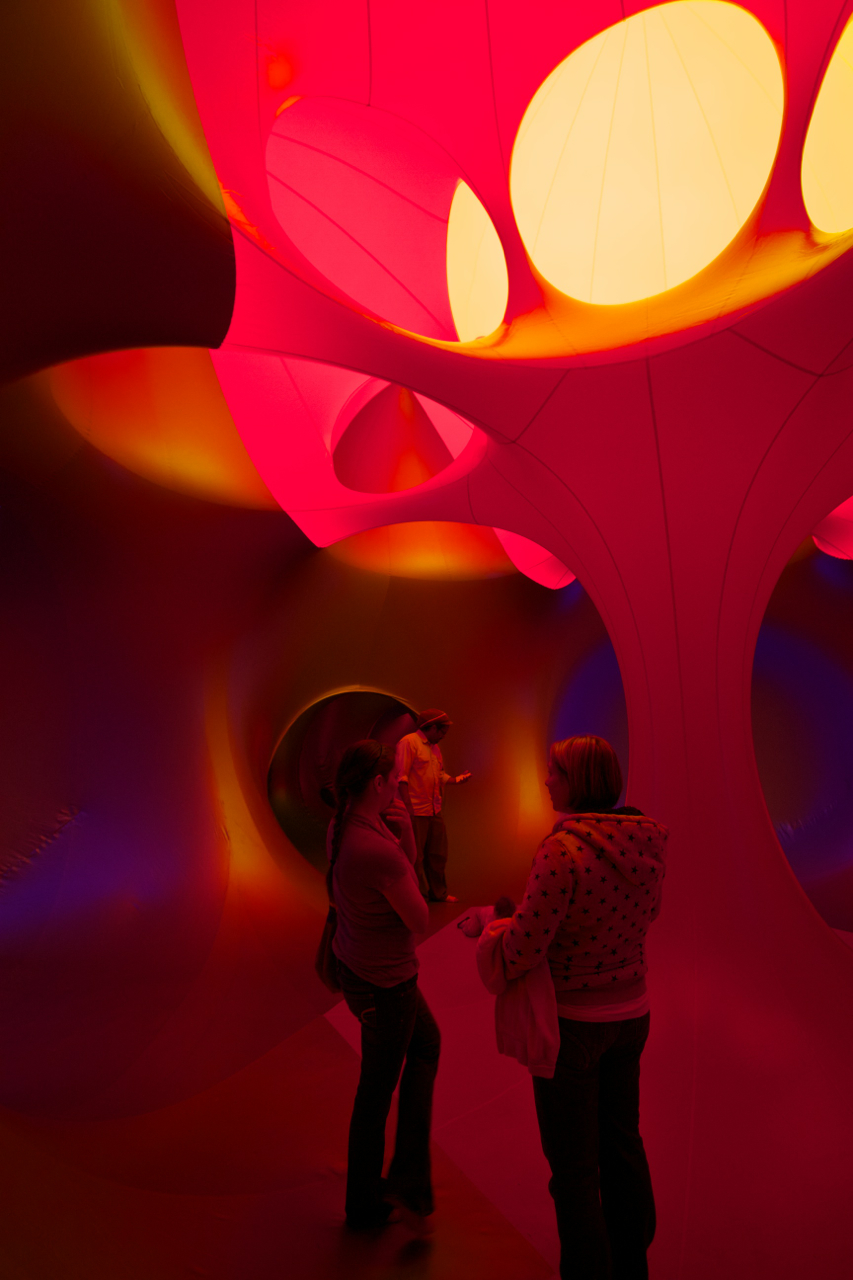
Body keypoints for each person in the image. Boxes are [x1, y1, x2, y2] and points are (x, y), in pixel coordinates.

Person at [501, 736, 668, 1280]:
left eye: (554, 771)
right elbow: (649, 914)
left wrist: (491, 931)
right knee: (623, 1143)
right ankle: (632, 1262)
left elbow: (525, 949)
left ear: (578, 781)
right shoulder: (649, 840)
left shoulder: (561, 850)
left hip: (572, 1027)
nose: (547, 780)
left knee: (574, 1170)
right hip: (632, 1014)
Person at [329, 739, 441, 1233]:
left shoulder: (343, 825)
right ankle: (368, 1202)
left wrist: (402, 837)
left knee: (426, 1045)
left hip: (359, 969)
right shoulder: (376, 850)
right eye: (395, 778)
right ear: (377, 783)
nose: (400, 784)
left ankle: (402, 1179)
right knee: (375, 1093)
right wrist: (405, 849)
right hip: (386, 985)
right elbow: (419, 918)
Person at [395, 709, 470, 903]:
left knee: (437, 854)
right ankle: (416, 897)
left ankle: (439, 893)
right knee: (415, 857)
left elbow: (439, 775)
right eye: (443, 731)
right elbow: (401, 777)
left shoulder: (435, 748)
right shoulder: (409, 743)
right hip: (416, 810)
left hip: (434, 809)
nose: (444, 736)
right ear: (433, 727)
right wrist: (408, 809)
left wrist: (457, 779)